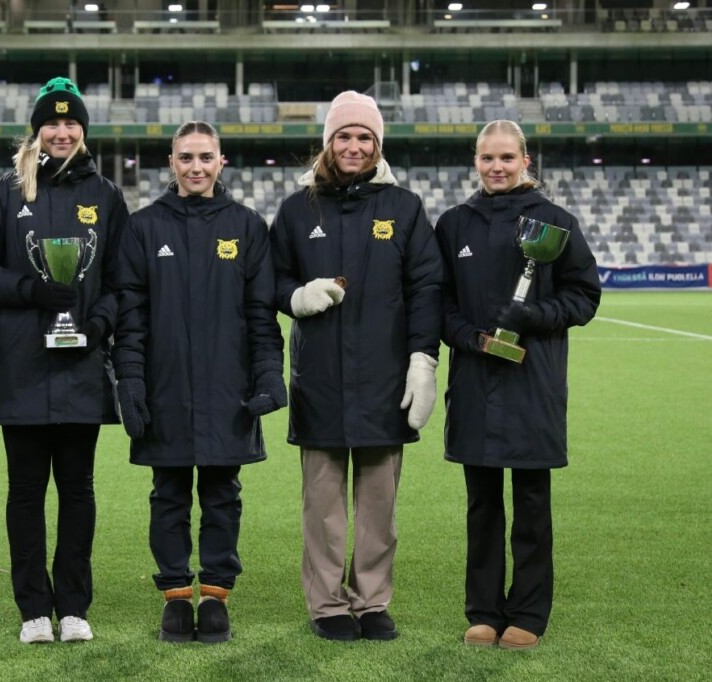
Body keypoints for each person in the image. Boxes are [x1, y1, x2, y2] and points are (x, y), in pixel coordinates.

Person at [269, 91, 443, 642]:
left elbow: (426, 288)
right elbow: (269, 278)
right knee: (322, 503)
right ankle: (327, 605)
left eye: (364, 137)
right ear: (328, 143)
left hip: (385, 379)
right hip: (319, 377)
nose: (354, 145)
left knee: (377, 503)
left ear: (378, 145)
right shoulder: (299, 209)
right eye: (344, 136)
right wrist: (296, 297)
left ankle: (370, 601)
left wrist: (422, 360)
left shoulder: (405, 207)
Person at [0, 76, 129, 644]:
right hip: (22, 367)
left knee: (79, 489)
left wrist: (99, 325)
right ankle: (34, 608)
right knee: (26, 490)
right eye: (52, 123)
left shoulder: (105, 195)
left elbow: (120, 280)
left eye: (71, 123)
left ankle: (75, 605)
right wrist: (30, 291)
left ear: (83, 130)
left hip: (82, 366)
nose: (61, 131)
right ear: (38, 130)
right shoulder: (6, 192)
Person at [114, 121, 285, 644]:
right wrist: (132, 384)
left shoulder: (248, 226)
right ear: (171, 163)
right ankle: (173, 596)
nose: (195, 167)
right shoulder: (143, 228)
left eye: (205, 158)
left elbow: (261, 316)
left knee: (222, 494)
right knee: (167, 494)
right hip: (164, 388)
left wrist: (269, 375)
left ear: (221, 162)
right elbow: (131, 317)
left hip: (226, 390)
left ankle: (214, 594)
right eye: (185, 157)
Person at [435, 119, 600, 650]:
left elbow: (585, 296)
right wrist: (472, 338)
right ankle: (483, 611)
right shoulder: (454, 224)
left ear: (525, 161)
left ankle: (528, 613)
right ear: (475, 161)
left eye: (507, 157)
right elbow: (439, 303)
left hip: (534, 382)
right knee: (481, 506)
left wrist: (534, 315)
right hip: (475, 377)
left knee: (531, 503)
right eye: (488, 158)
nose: (497, 167)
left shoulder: (556, 222)